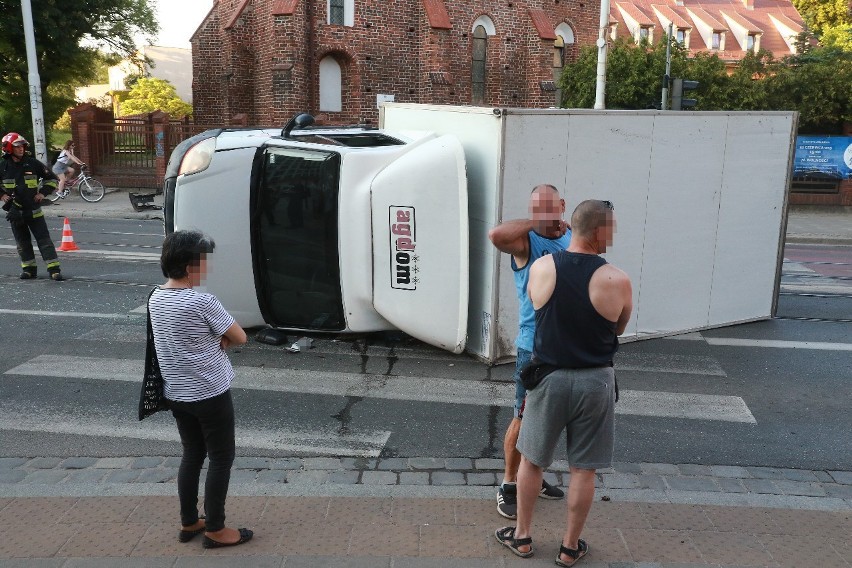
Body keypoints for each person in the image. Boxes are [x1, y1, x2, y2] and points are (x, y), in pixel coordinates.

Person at [495, 199, 633, 566]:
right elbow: (618, 326)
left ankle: (522, 538)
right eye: (612, 229)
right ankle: (570, 547)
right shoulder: (617, 279)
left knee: (532, 462)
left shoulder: (541, 268)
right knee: (582, 469)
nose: (613, 235)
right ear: (600, 231)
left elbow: (536, 308)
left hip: (549, 378)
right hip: (595, 382)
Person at [148, 230, 253, 549]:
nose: (207, 267)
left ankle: (189, 520)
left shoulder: (155, 297)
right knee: (221, 458)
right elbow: (240, 337)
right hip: (210, 392)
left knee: (192, 454)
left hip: (177, 393)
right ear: (191, 266)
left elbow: (177, 340)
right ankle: (217, 529)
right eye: (204, 261)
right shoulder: (203, 301)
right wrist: (218, 340)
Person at [488, 184, 571, 519]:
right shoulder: (527, 242)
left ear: (563, 205)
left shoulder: (569, 238)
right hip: (533, 349)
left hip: (565, 346)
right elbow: (496, 234)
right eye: (538, 209)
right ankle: (509, 484)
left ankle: (532, 478)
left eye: (550, 207)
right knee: (523, 418)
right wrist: (537, 222)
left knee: (549, 420)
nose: (545, 214)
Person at [0, 132, 63, 280]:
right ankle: (29, 269)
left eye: (22, 146)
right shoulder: (3, 167)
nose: (21, 149)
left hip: (34, 211)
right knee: (22, 243)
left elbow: (52, 179)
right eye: (17, 146)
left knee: (44, 241)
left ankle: (54, 270)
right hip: (15, 212)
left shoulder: (33, 163)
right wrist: (1, 194)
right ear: (9, 148)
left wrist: (42, 193)